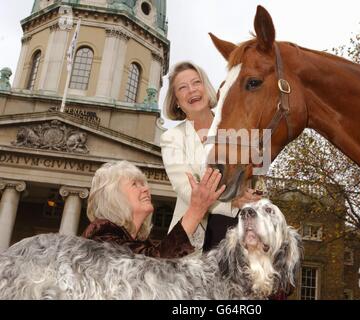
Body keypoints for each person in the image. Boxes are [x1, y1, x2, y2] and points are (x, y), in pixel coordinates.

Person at [160, 61, 261, 252]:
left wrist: (251, 193)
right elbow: (186, 190)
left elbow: (257, 172)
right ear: (176, 102)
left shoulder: (238, 124)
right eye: (182, 87)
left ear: (206, 87)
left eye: (196, 82)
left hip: (244, 232)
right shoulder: (171, 138)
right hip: (198, 239)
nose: (191, 90)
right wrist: (233, 201)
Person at [82, 160, 225, 259]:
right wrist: (196, 210)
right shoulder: (100, 232)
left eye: (144, 184)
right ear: (113, 196)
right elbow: (153, 266)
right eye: (135, 184)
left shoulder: (142, 242)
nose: (146, 189)